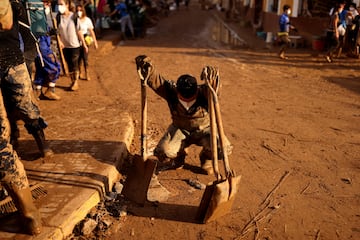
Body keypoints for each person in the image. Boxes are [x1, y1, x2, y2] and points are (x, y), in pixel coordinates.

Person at [135, 55, 233, 175]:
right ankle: (179, 157)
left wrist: (213, 79)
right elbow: (157, 81)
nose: (186, 101)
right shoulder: (171, 91)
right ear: (178, 92)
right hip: (180, 130)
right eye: (183, 98)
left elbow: (216, 91)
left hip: (205, 131)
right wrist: (148, 70)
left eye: (191, 98)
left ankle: (206, 158)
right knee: (163, 151)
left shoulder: (205, 92)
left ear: (196, 90)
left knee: (223, 148)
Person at [0, 0, 42, 235]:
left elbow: (6, 21)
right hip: (14, 60)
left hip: (13, 61)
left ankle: (29, 215)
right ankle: (29, 215)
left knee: (24, 112)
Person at [33, 0, 61, 100]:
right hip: (41, 47)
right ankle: (50, 89)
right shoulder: (35, 14)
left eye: (49, 2)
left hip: (44, 46)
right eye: (46, 2)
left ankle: (38, 92)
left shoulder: (42, 14)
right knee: (55, 67)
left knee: (40, 69)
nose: (48, 4)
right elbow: (37, 31)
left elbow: (44, 28)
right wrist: (48, 33)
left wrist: (50, 31)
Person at [57, 0, 87, 91]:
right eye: (58, 5)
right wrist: (60, 42)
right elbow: (57, 32)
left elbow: (79, 31)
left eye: (61, 4)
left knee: (74, 64)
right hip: (65, 46)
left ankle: (75, 82)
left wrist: (84, 44)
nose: (59, 7)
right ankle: (72, 80)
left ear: (67, 5)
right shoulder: (58, 18)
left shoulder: (73, 16)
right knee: (69, 64)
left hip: (75, 45)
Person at [76, 4, 98, 81]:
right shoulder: (76, 20)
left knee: (85, 57)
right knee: (78, 58)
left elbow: (91, 31)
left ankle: (87, 73)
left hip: (85, 38)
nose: (79, 12)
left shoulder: (87, 20)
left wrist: (95, 42)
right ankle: (79, 72)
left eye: (80, 10)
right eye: (77, 10)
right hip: (76, 39)